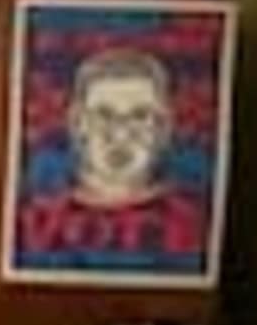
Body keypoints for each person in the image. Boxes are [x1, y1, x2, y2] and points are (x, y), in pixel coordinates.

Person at [63, 47, 179, 209]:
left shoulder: (190, 216)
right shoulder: (36, 214)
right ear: (78, 123)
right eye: (104, 116)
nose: (120, 135)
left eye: (139, 116)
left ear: (162, 125)